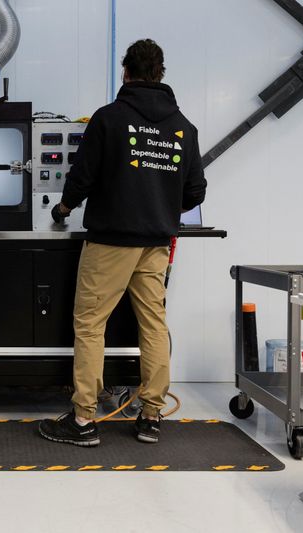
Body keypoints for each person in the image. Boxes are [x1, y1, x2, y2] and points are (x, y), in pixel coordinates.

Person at [39, 39, 207, 446]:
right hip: (155, 244)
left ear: (126, 73)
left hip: (111, 242)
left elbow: (82, 177)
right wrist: (163, 205)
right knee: (153, 326)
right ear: (160, 74)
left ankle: (83, 421)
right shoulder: (184, 128)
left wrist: (62, 209)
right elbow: (196, 191)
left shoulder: (109, 119)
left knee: (90, 325)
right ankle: (150, 416)